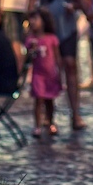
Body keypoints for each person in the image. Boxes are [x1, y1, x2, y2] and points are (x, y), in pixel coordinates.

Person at [29, 0, 85, 130]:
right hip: (47, 29)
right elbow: (32, 0)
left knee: (70, 65)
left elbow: (82, 0)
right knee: (46, 71)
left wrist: (74, 6)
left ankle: (75, 113)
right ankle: (48, 115)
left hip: (67, 27)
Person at [25, 8, 62, 138]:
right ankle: (37, 125)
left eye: (36, 19)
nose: (33, 22)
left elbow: (57, 57)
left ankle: (50, 121)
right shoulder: (31, 40)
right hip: (38, 74)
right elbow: (28, 58)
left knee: (49, 100)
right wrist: (31, 51)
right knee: (38, 99)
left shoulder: (52, 38)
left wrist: (59, 72)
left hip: (50, 75)